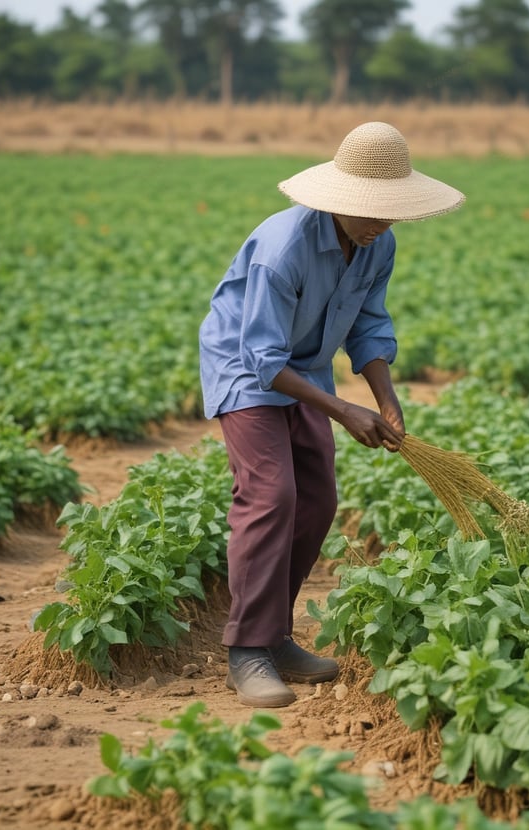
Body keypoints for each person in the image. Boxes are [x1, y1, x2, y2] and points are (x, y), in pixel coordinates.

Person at [198, 121, 465, 707]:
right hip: (247, 369)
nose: (379, 223)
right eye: (370, 211)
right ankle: (246, 652)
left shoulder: (377, 244)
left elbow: (368, 324)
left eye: (390, 212)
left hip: (308, 373)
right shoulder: (283, 248)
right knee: (271, 497)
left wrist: (386, 400)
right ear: (338, 199)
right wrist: (345, 409)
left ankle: (276, 637)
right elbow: (264, 358)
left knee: (316, 499)